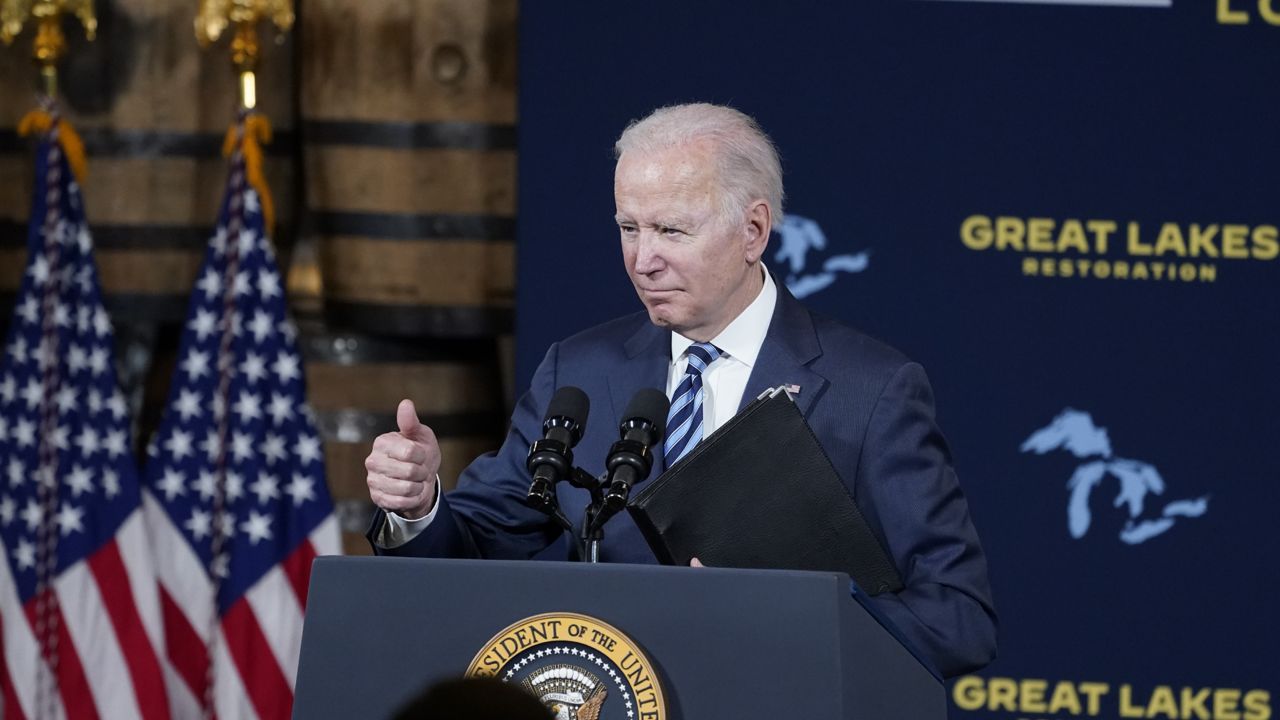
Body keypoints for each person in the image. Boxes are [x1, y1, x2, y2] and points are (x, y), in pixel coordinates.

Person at [364, 103, 997, 678]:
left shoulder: (872, 390)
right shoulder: (580, 371)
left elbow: (957, 622)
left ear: (753, 231)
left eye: (671, 231)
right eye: (628, 227)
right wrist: (418, 505)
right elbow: (475, 547)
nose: (642, 260)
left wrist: (790, 613)